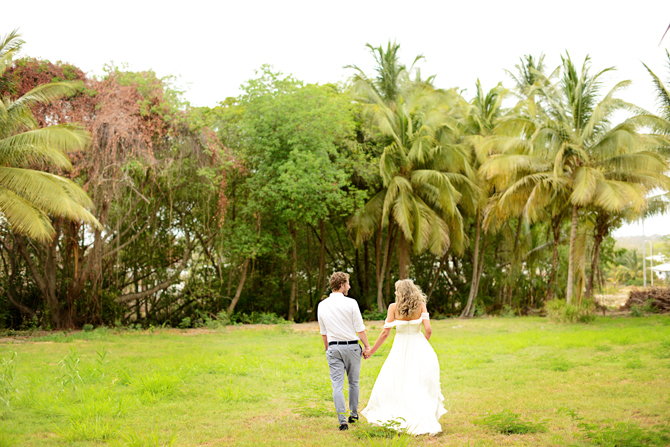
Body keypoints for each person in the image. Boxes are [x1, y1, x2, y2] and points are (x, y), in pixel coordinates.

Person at [360, 279, 446, 435]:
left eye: (396, 290)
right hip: (418, 346)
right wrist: (422, 343)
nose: (394, 292)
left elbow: (385, 332)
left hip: (400, 348)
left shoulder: (393, 307)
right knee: (418, 380)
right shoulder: (421, 306)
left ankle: (398, 410)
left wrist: (371, 351)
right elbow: (428, 330)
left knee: (397, 378)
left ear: (400, 292)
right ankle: (421, 411)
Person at [318, 272, 372, 431]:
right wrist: (367, 346)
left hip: (333, 347)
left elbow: (323, 332)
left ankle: (342, 421)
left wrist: (328, 348)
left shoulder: (322, 305)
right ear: (341, 285)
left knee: (337, 385)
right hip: (352, 347)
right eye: (348, 283)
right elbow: (360, 329)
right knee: (353, 382)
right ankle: (354, 414)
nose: (349, 286)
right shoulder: (351, 303)